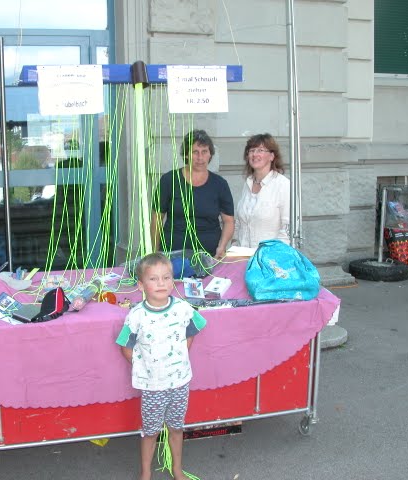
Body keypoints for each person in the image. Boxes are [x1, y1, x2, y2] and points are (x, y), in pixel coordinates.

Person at [116, 253, 206, 480]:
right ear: (141, 285)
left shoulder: (182, 308)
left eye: (166, 278)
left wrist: (180, 355)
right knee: (151, 432)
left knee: (176, 429)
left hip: (179, 383)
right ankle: (146, 472)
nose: (161, 283)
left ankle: (177, 469)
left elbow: (192, 330)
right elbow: (125, 346)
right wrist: (143, 366)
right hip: (153, 387)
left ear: (173, 281)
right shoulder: (136, 315)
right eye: (153, 279)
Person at [151, 129, 234, 259]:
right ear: (186, 155)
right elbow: (156, 219)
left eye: (204, 152)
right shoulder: (169, 180)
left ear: (210, 154)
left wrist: (222, 247)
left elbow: (229, 221)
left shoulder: (220, 184)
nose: (200, 157)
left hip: (210, 256)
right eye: (195, 152)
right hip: (172, 255)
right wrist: (155, 253)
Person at [234, 133, 290, 248]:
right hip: (244, 255)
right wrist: (234, 245)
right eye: (252, 150)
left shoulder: (283, 185)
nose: (255, 154)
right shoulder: (248, 184)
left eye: (260, 150)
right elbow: (239, 223)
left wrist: (269, 255)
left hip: (269, 256)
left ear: (272, 156)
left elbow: (287, 229)